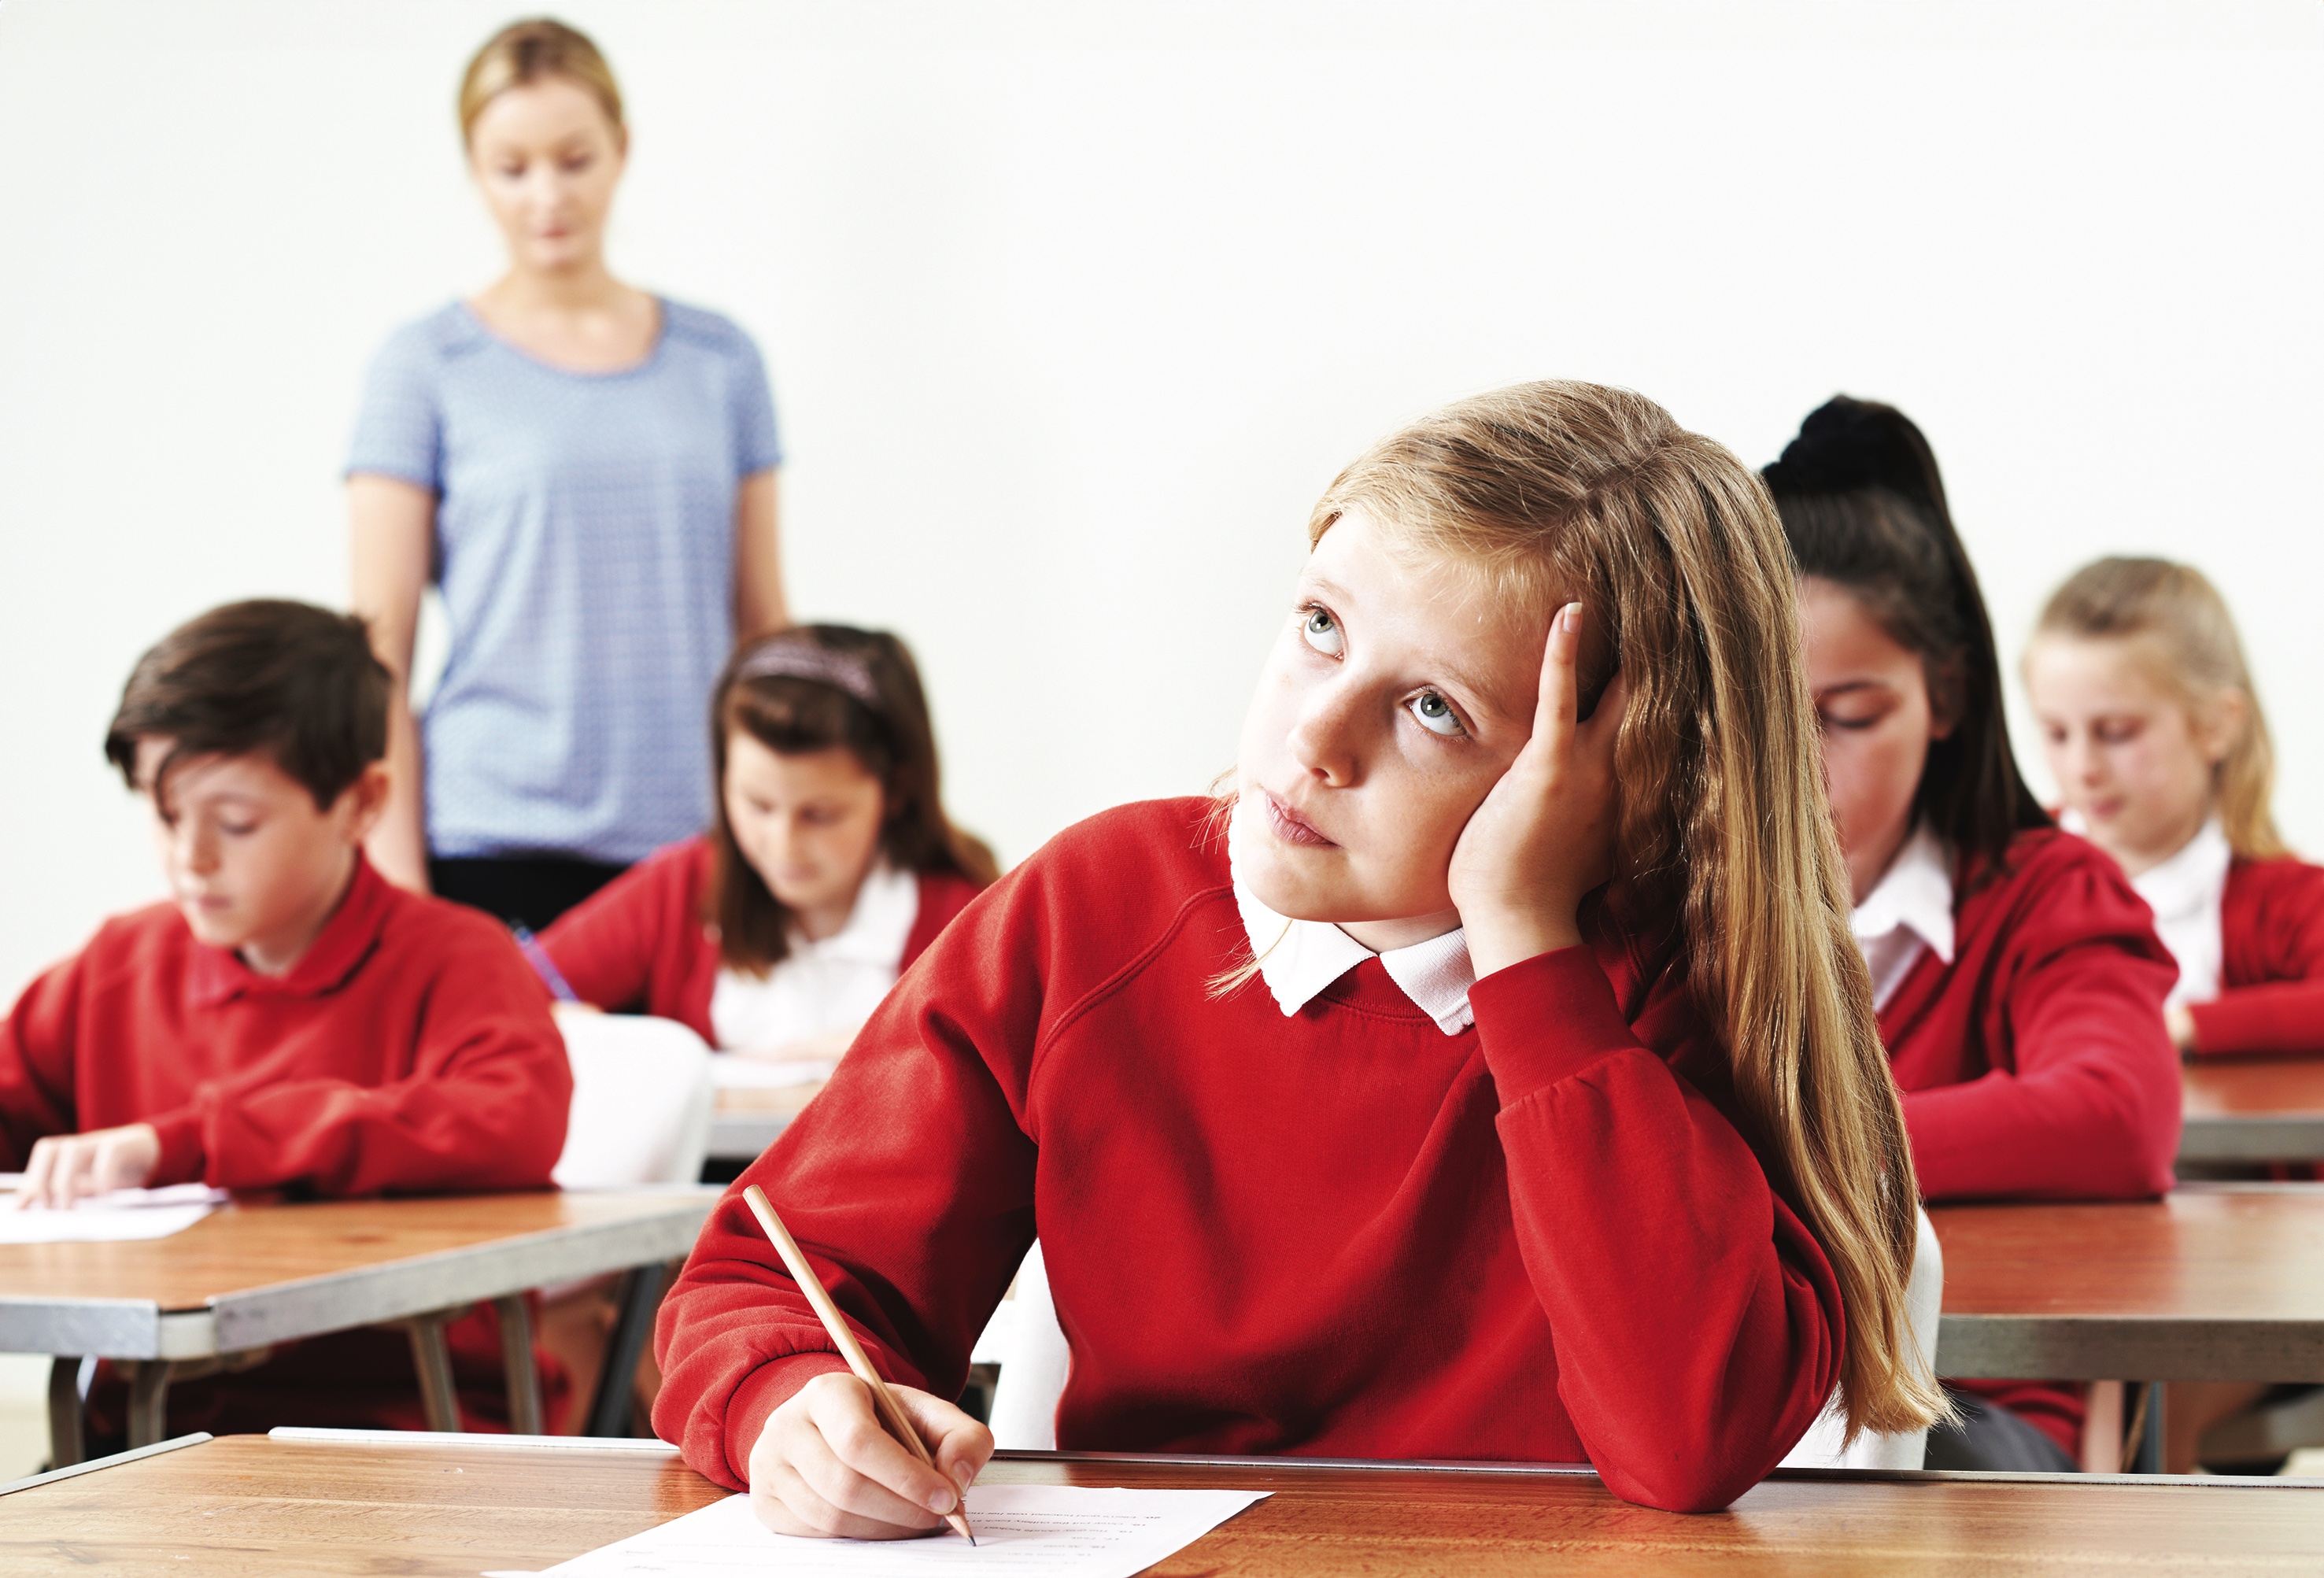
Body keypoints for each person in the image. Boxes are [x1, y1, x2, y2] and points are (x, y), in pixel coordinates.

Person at [653, 382, 1945, 1529]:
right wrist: (789, 1404)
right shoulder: (1097, 905)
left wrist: (1524, 949)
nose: (1314, 735)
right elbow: (764, 1275)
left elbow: (1684, 1443)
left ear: (1623, 778)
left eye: (1435, 708)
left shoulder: (1679, 991)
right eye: (1320, 625)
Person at [0, 600, 573, 1436]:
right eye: (164, 815)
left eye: (235, 823)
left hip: (407, 1438)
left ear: (360, 803)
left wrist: (187, 1143)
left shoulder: (455, 958)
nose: (189, 859)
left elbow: (513, 1118)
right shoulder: (118, 966)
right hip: (146, 1445)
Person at [1765, 397, 2182, 1473]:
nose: (1800, 763)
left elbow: (2118, 1114)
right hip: (1734, 1404)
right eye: (1764, 716)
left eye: (1849, 716)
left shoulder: (2046, 893)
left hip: (1963, 1409)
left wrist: (1770, 1155)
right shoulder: (1659, 905)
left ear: (1943, 696)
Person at [348, 17, 785, 932]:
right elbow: (378, 652)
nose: (546, 194)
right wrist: (401, 894)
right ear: (474, 168)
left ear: (621, 149)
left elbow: (765, 630)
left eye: (574, 158)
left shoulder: (721, 360)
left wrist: (791, 846)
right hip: (491, 840)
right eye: (512, 167)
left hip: (695, 847)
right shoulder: (425, 365)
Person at [539, 626, 996, 1061]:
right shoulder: (681, 886)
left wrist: (892, 1049)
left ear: (896, 791)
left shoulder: (968, 918)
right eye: (757, 805)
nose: (783, 845)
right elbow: (509, 995)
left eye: (820, 815)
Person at [2027, 558, 2324, 1059]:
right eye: (2056, 733)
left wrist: (2177, 1026)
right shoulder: (2004, 871)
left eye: (2117, 732)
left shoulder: (2284, 899)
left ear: (2215, 726)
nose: (2083, 768)